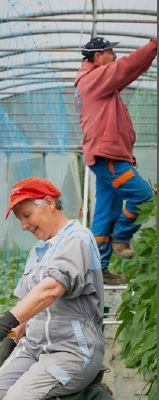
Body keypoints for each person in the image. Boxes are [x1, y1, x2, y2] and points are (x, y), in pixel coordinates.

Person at [0, 177, 120, 400]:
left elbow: (50, 290)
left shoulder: (78, 239)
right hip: (36, 348)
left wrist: (2, 324)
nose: (24, 225)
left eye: (27, 215)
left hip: (74, 351)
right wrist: (8, 345)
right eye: (20, 219)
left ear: (49, 203)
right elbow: (27, 303)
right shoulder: (40, 251)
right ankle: (65, 393)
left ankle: (89, 399)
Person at [75, 36, 157, 285]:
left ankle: (100, 268)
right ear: (97, 57)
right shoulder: (95, 78)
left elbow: (124, 71)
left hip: (103, 156)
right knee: (143, 195)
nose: (114, 57)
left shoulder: (91, 82)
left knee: (105, 212)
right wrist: (154, 45)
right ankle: (121, 237)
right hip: (108, 156)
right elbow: (126, 67)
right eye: (110, 52)